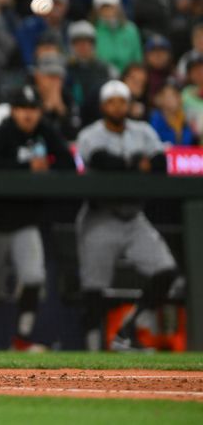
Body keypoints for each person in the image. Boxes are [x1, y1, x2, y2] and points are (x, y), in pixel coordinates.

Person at [76, 80, 179, 351]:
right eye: (112, 102)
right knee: (94, 289)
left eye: (122, 101)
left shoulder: (143, 131)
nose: (118, 107)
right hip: (101, 215)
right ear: (103, 106)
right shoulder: (90, 134)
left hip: (134, 217)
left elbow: (160, 163)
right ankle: (92, 351)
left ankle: (126, 330)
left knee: (166, 271)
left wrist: (128, 165)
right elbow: (101, 161)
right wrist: (134, 163)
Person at [0, 85, 75, 351]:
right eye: (22, 109)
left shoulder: (46, 131)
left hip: (27, 222)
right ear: (13, 111)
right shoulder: (4, 131)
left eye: (33, 109)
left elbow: (69, 164)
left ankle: (21, 339)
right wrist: (25, 167)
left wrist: (48, 167)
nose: (28, 116)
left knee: (33, 278)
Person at [65, 20, 116, 126]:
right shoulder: (67, 69)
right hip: (75, 117)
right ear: (72, 46)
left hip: (100, 117)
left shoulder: (105, 69)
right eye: (78, 42)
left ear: (93, 44)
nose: (83, 46)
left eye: (87, 42)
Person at [92, 0, 142, 73]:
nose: (108, 11)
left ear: (118, 7)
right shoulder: (93, 32)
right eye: (104, 7)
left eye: (111, 6)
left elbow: (137, 60)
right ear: (97, 10)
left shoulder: (131, 30)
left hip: (128, 79)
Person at [31, 54, 82, 141]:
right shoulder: (29, 96)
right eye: (50, 76)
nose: (55, 82)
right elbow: (30, 132)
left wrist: (61, 110)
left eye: (58, 77)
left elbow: (75, 134)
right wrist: (47, 110)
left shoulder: (67, 96)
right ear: (38, 77)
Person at [142, 34, 178, 104]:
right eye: (153, 52)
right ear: (146, 55)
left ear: (169, 55)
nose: (158, 55)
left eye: (162, 52)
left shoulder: (176, 76)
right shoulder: (141, 75)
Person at [182, 54, 203, 140]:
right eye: (194, 70)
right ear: (189, 75)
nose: (199, 72)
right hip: (195, 141)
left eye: (201, 68)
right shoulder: (184, 94)